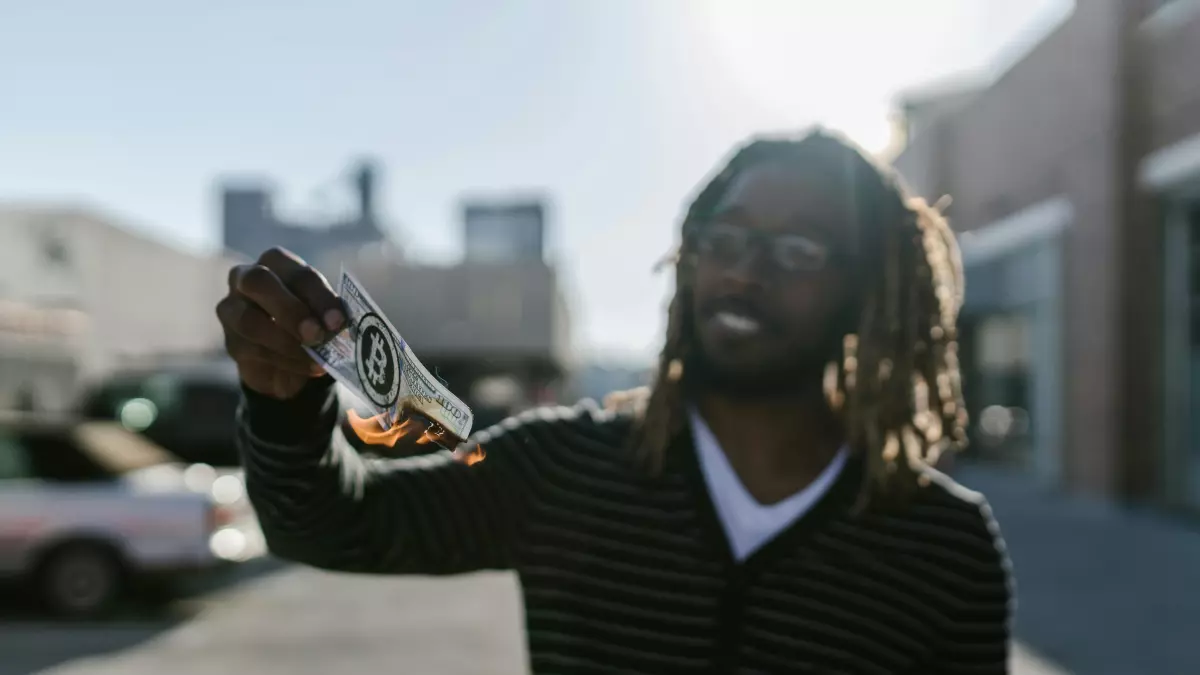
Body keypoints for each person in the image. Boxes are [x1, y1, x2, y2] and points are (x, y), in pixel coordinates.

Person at [218, 128, 1013, 674]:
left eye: (798, 249)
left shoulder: (945, 546)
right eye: (723, 240)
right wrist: (284, 404)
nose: (744, 271)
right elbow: (328, 523)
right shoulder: (566, 465)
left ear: (866, 290)